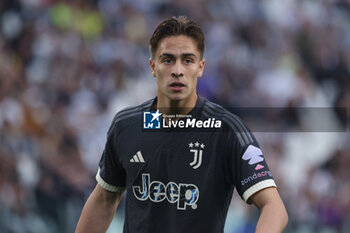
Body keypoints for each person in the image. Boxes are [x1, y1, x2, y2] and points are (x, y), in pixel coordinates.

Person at [75, 16, 288, 233]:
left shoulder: (227, 130)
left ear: (200, 67)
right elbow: (103, 200)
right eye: (167, 60)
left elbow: (274, 207)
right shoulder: (126, 126)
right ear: (153, 66)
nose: (177, 70)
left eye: (187, 60)